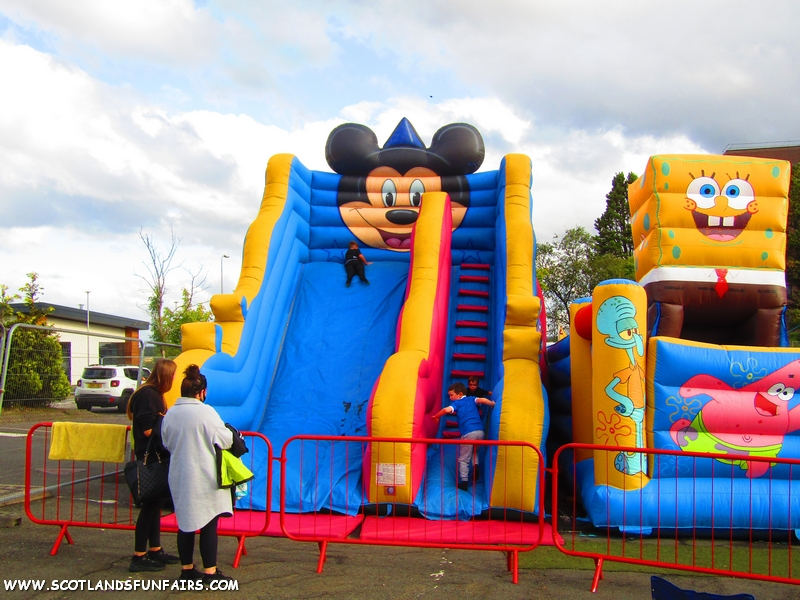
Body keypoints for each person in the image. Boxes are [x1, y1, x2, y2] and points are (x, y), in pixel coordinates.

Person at [161, 365, 235, 583]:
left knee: (185, 523)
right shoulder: (206, 412)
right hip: (205, 473)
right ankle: (210, 572)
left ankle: (187, 570)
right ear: (201, 392)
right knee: (209, 524)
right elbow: (225, 440)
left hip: (180, 473)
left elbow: (166, 442)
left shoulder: (171, 413)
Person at [126, 358, 180, 573]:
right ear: (165, 376)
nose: (175, 378)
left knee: (155, 504)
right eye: (173, 375)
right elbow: (148, 428)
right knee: (149, 505)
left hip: (156, 454)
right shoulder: (148, 395)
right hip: (150, 456)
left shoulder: (153, 393)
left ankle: (155, 549)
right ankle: (139, 555)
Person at [432, 382, 496, 491]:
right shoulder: (472, 399)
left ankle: (464, 482)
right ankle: (475, 465)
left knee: (463, 459)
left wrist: (436, 416)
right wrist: (492, 404)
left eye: (451, 395)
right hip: (480, 432)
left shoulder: (457, 403)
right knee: (474, 451)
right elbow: (484, 400)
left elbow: (446, 410)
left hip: (468, 433)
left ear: (460, 394)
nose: (450, 398)